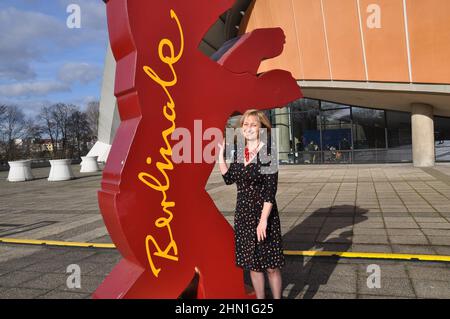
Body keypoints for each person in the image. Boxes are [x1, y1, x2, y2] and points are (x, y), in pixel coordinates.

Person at [217, 109, 285, 299]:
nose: (248, 128)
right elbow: (229, 178)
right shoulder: (240, 152)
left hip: (264, 214)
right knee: (253, 265)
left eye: (253, 124)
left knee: (271, 266)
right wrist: (221, 154)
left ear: (262, 127)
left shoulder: (268, 152)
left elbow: (271, 191)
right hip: (244, 215)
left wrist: (263, 220)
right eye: (245, 124)